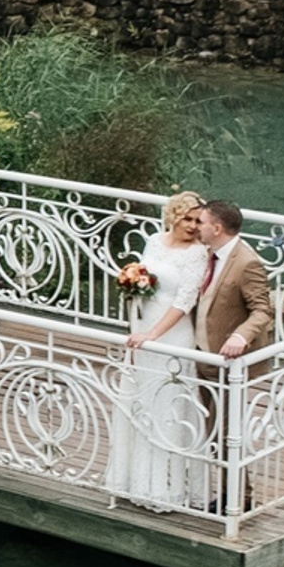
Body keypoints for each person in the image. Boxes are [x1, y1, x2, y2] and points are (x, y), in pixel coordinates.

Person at [105, 192, 212, 509]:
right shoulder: (153, 241)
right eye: (187, 219)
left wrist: (153, 334)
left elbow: (184, 301)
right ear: (173, 217)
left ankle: (167, 488)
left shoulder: (196, 254)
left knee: (168, 406)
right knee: (140, 402)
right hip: (143, 328)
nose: (192, 227)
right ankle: (134, 480)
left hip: (172, 335)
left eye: (198, 221)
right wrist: (136, 318)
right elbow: (144, 281)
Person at [193, 199, 275, 513]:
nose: (196, 227)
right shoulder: (208, 254)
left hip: (228, 363)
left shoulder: (246, 263)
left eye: (201, 222)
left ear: (217, 228)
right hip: (204, 356)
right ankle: (230, 492)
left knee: (227, 433)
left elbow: (262, 310)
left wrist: (241, 335)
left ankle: (239, 498)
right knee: (212, 428)